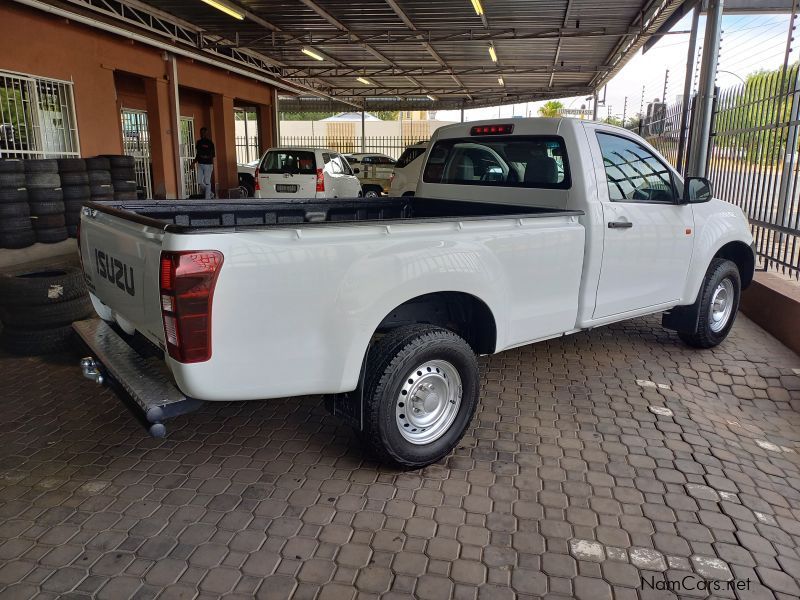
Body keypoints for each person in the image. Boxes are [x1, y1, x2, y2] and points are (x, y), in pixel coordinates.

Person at [191, 127, 215, 199]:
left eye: (204, 133)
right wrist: (193, 163)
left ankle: (207, 198)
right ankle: (210, 194)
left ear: (206, 133)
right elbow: (198, 155)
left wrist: (206, 157)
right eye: (201, 133)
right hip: (200, 164)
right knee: (199, 182)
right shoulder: (198, 142)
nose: (202, 134)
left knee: (207, 181)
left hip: (208, 165)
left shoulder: (210, 143)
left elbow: (213, 155)